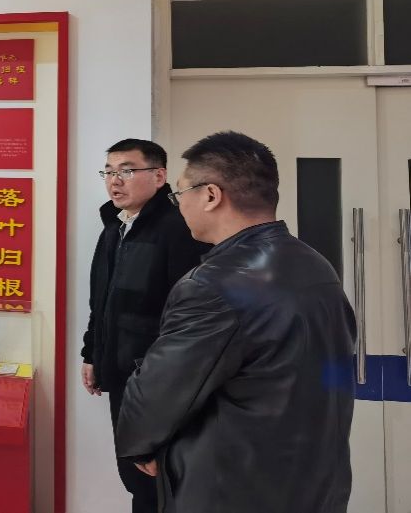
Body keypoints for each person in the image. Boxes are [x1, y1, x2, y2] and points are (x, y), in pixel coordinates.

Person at [115, 132, 355, 513]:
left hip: (234, 485)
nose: (179, 205)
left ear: (211, 195)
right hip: (315, 481)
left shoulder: (211, 285)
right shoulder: (314, 264)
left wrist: (138, 445)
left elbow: (156, 395)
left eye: (180, 194)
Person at [81, 138, 208, 513]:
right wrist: (92, 354)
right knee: (135, 476)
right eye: (108, 171)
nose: (114, 180)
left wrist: (164, 380)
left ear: (159, 176)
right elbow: (101, 302)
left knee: (159, 480)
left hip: (157, 381)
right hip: (121, 373)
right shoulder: (114, 227)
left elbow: (186, 319)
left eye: (126, 171)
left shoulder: (178, 229)